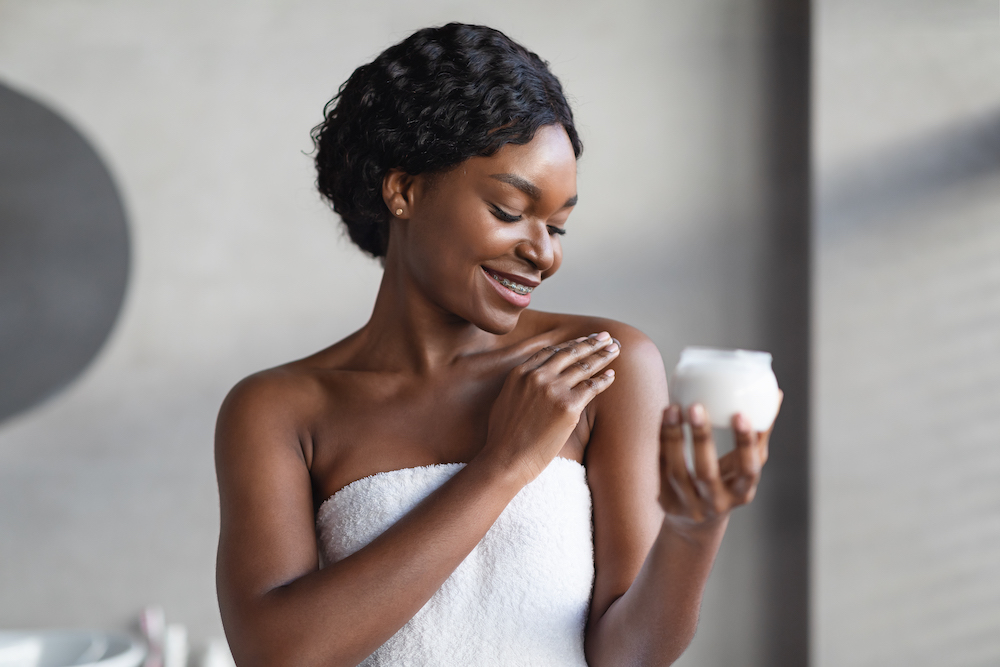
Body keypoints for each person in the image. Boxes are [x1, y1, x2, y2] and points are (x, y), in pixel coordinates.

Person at [214, 22, 776, 667]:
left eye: (558, 226)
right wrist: (504, 463)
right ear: (404, 190)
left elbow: (631, 655)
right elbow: (281, 656)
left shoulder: (602, 367)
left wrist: (693, 527)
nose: (543, 254)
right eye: (510, 211)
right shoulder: (279, 410)